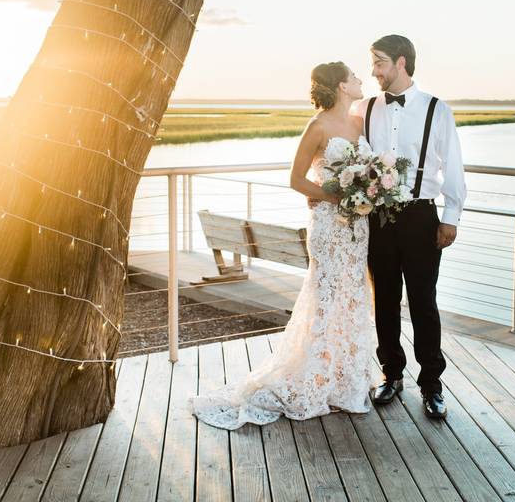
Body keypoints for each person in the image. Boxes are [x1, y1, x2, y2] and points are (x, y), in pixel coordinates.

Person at [190, 61, 377, 429]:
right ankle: (314, 379)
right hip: (329, 225)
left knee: (352, 295)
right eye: (354, 76)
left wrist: (369, 191)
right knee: (326, 297)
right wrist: (332, 196)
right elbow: (295, 179)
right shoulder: (318, 126)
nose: (360, 80)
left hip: (359, 226)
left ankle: (344, 380)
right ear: (341, 85)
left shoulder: (359, 122)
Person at [356, 34, 467, 419]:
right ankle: (391, 373)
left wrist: (450, 217)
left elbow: (452, 164)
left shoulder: (438, 109)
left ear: (401, 63)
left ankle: (432, 384)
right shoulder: (365, 108)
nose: (374, 71)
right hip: (378, 220)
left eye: (379, 62)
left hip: (421, 217)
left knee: (424, 302)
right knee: (383, 299)